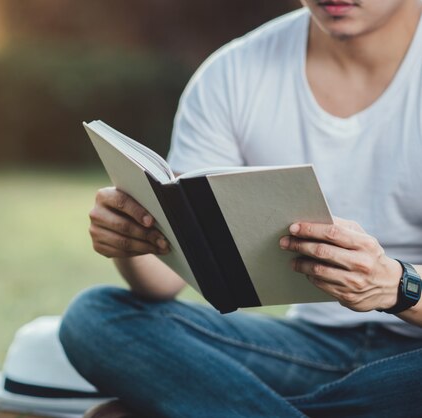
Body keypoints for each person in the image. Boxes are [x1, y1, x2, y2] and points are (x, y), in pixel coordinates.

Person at [59, 0, 422, 416]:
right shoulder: (235, 73)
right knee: (97, 318)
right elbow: (162, 281)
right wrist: (134, 238)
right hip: (306, 348)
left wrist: (397, 285)